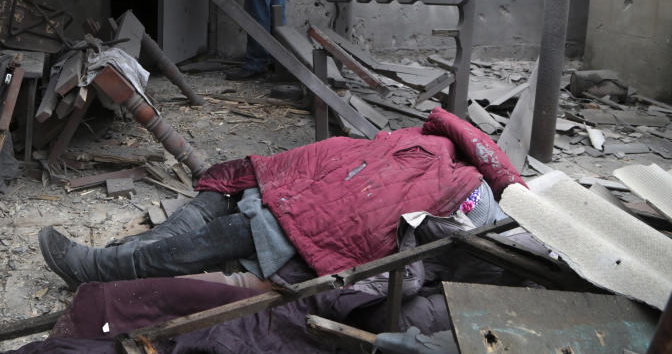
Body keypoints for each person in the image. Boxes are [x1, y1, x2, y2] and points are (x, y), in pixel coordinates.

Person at [38, 108, 525, 289]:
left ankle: (102, 268)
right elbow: (448, 123)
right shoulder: (502, 182)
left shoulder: (503, 241)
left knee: (266, 226)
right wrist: (507, 182)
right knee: (242, 184)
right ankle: (113, 260)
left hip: (373, 200)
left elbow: (426, 263)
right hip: (369, 162)